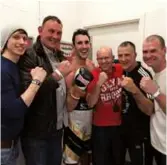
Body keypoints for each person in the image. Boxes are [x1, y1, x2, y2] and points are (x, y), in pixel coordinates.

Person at [18, 15, 72, 165]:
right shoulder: (29, 55)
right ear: (40, 31)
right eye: (51, 31)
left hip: (57, 128)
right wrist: (58, 74)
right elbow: (29, 92)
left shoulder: (59, 55)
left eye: (59, 33)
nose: (55, 36)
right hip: (37, 132)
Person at [1, 25, 47, 165]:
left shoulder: (14, 65)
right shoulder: (2, 70)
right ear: (5, 40)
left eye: (24, 38)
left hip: (13, 144)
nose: (22, 42)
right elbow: (14, 111)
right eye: (16, 37)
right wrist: (36, 81)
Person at [117, 41, 154, 165]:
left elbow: (150, 109)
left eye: (127, 55)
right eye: (120, 55)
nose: (123, 59)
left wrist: (135, 90)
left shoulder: (144, 75)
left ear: (135, 55)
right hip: (120, 132)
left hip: (139, 134)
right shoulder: (119, 71)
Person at [63, 29, 95, 165]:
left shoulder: (91, 65)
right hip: (73, 122)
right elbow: (69, 105)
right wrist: (77, 89)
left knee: (87, 159)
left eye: (86, 42)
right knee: (71, 161)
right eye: (80, 43)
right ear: (74, 46)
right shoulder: (68, 67)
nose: (84, 46)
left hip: (91, 119)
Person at [87, 47, 123, 165]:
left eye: (106, 57)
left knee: (117, 160)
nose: (104, 61)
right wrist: (98, 84)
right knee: (100, 161)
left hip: (118, 125)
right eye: (100, 58)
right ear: (97, 60)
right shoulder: (93, 75)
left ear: (113, 58)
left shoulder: (119, 69)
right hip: (100, 127)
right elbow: (90, 103)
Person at [140, 35, 166, 165]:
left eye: (153, 50)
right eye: (145, 51)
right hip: (156, 143)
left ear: (164, 50)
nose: (148, 55)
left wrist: (156, 92)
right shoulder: (153, 74)